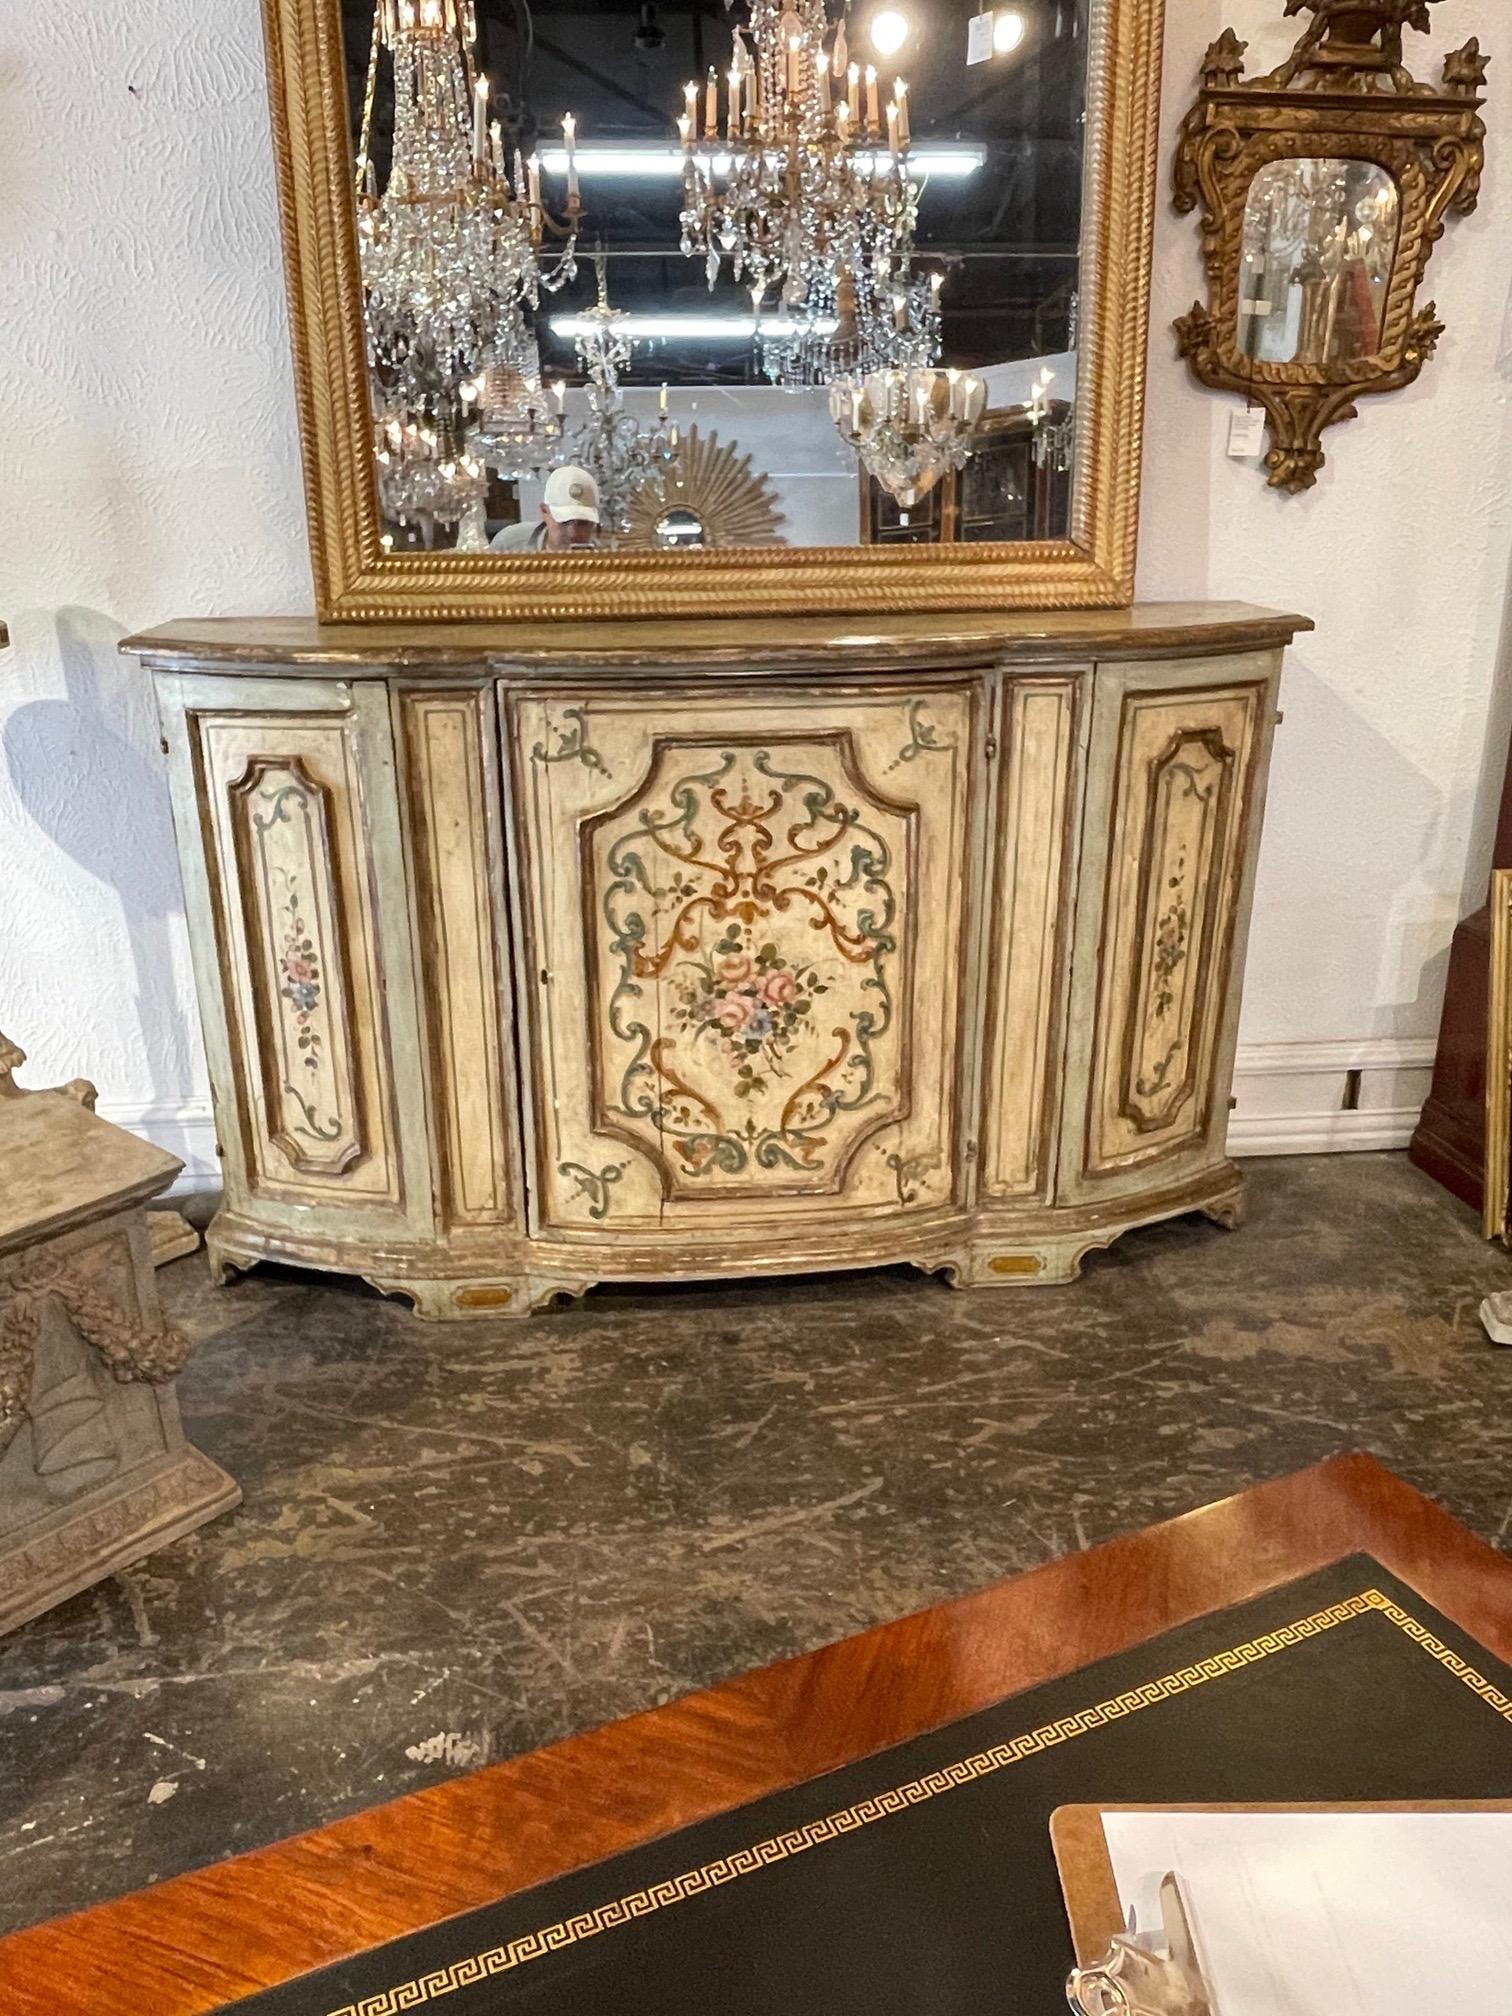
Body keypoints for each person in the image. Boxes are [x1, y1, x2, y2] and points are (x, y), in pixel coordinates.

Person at [489, 465, 602, 551]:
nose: (573, 533)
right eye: (564, 522)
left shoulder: (606, 560)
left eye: (583, 523)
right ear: (544, 512)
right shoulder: (509, 544)